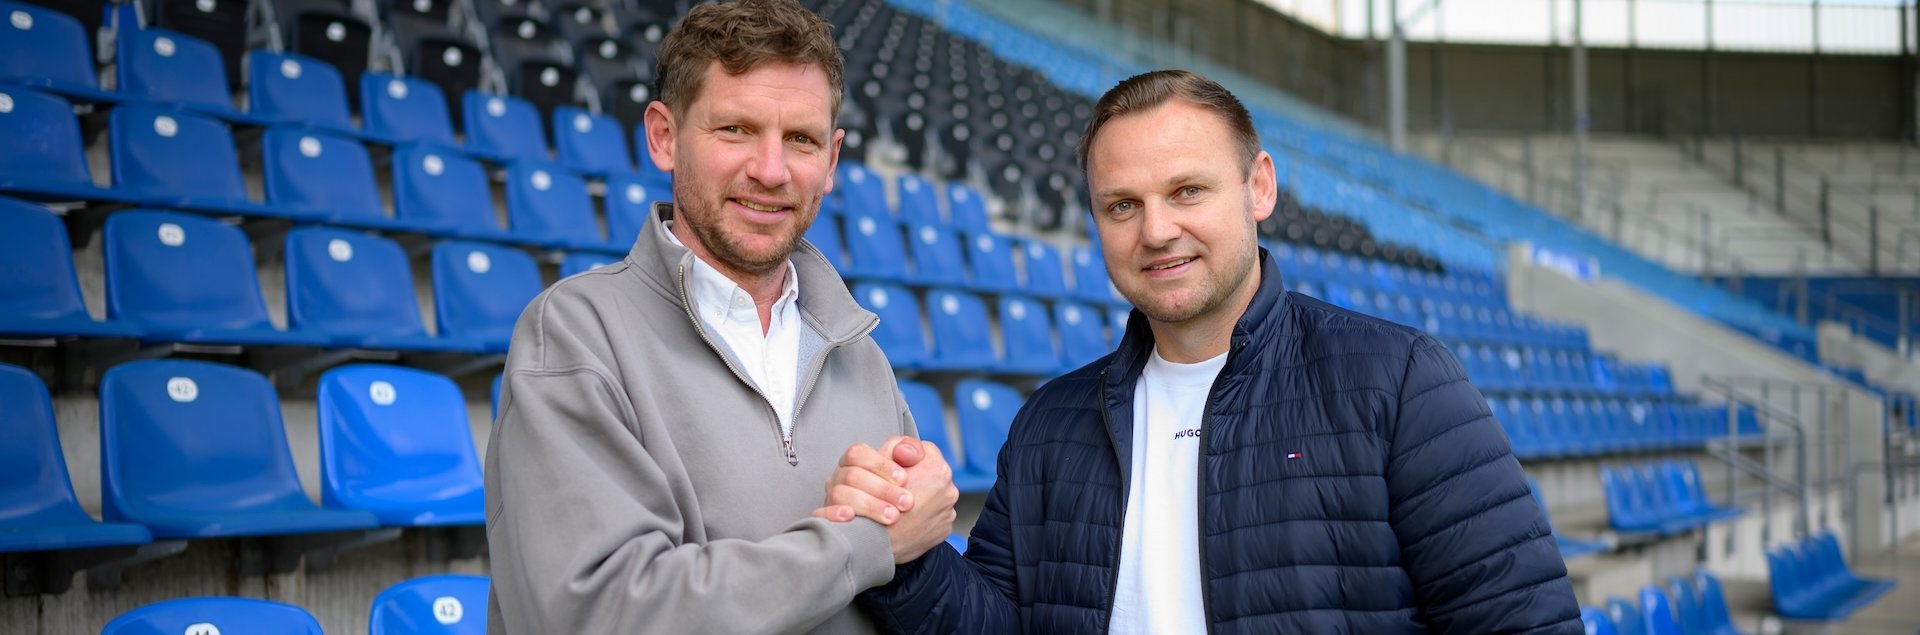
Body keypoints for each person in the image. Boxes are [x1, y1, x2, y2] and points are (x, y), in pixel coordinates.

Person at [831, 70, 1584, 633]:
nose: (1156, 231)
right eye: (1122, 205)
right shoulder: (1050, 423)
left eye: (1187, 191)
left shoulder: (1397, 381)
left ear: (1259, 188)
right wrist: (910, 556)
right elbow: (996, 623)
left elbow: (1520, 620)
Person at [485, 1, 955, 632]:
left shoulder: (858, 352)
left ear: (833, 161)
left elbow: (909, 586)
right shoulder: (574, 334)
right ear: (664, 136)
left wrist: (924, 526)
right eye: (734, 129)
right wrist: (862, 545)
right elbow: (603, 610)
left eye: (801, 140)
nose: (770, 171)